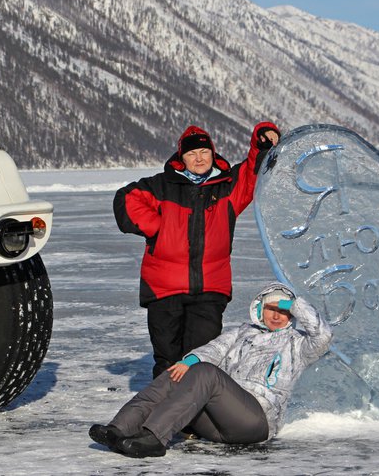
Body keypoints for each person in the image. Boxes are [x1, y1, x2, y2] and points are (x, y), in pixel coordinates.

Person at [113, 122, 281, 378]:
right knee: (168, 360)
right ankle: (164, 414)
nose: (199, 158)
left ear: (213, 154)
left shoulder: (227, 188)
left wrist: (262, 139)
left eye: (204, 152)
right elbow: (125, 199)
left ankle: (197, 415)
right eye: (191, 154)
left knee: (201, 358)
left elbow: (252, 172)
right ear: (181, 159)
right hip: (164, 289)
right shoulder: (162, 186)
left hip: (209, 290)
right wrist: (158, 227)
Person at [89, 282, 333, 458]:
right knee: (181, 371)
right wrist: (188, 361)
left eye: (284, 312)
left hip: (255, 422)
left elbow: (323, 335)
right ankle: (119, 429)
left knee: (206, 373)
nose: (277, 316)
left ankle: (154, 439)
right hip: (219, 423)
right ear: (260, 309)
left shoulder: (299, 344)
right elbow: (214, 349)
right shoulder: (244, 332)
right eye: (272, 309)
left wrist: (295, 304)